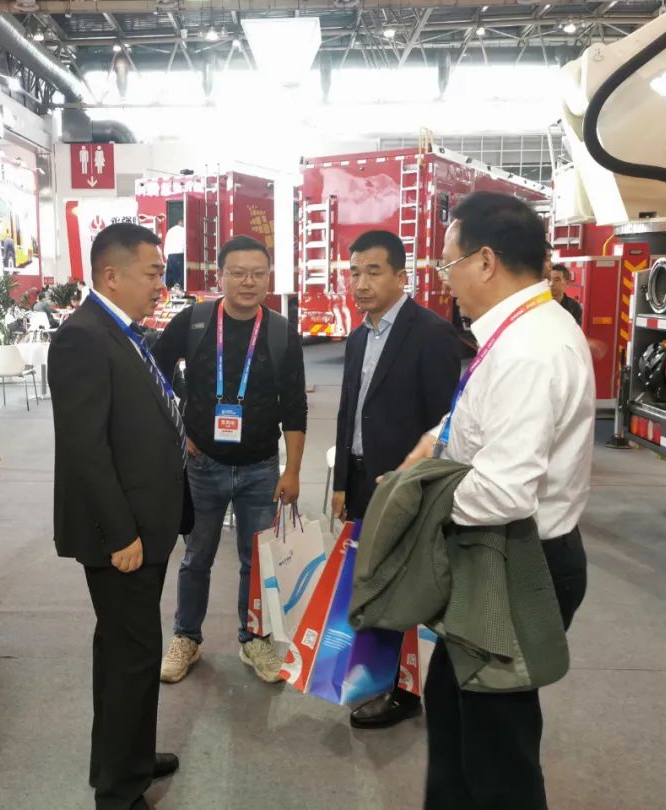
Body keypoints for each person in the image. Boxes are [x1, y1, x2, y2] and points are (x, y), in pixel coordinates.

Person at [400, 192, 594, 809]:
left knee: (497, 752)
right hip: (503, 558)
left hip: (516, 566)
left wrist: (415, 504)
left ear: (485, 261)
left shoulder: (529, 350)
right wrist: (435, 441)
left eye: (447, 263)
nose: (445, 279)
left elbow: (504, 491)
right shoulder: (521, 328)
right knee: (455, 714)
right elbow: (485, 420)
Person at [48, 222, 192, 810]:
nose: (162, 285)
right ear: (111, 275)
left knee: (122, 649)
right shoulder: (83, 338)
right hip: (123, 533)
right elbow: (85, 448)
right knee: (132, 655)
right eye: (153, 273)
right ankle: (120, 792)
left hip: (145, 522)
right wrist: (121, 533)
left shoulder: (122, 332)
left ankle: (122, 758)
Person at [152, 235, 308, 685]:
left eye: (258, 273)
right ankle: (186, 637)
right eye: (238, 273)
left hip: (261, 468)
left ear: (268, 278)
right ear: (219, 276)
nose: (248, 282)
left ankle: (254, 638)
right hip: (203, 466)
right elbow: (154, 372)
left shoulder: (280, 332)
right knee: (196, 556)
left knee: (256, 561)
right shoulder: (195, 321)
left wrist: (293, 470)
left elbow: (294, 406)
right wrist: (180, 428)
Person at [331, 230, 461, 729]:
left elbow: (444, 424)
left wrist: (422, 483)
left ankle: (408, 691)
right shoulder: (358, 336)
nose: (361, 283)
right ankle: (378, 677)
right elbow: (349, 411)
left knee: (410, 585)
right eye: (354, 272)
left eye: (373, 271)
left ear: (401, 276)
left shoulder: (431, 334)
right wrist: (342, 482)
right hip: (365, 481)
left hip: (407, 486)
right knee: (373, 582)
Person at [164, 216, 186, 291]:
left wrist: (167, 257)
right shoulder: (183, 230)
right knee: (179, 277)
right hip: (179, 255)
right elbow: (185, 244)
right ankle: (178, 290)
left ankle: (170, 290)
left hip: (170, 256)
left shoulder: (170, 230)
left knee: (171, 276)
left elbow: (166, 244)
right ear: (181, 221)